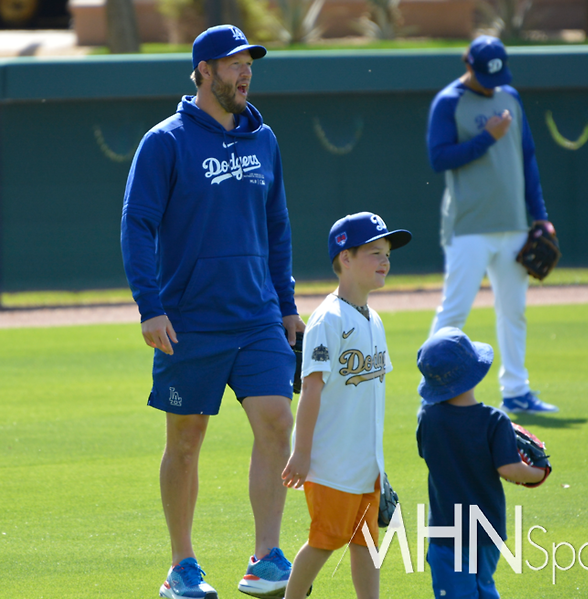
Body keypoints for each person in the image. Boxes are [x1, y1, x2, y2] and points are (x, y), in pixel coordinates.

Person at [120, 24, 306, 599]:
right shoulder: (166, 141)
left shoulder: (264, 140)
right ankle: (183, 566)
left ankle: (268, 556)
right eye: (232, 63)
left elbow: (277, 227)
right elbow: (137, 224)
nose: (245, 71)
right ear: (203, 70)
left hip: (257, 317)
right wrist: (150, 307)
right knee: (185, 440)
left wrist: (287, 306)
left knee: (277, 421)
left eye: (249, 62)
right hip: (190, 320)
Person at [281, 212, 411, 599]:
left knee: (365, 543)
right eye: (374, 252)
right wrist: (301, 452)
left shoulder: (375, 320)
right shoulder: (327, 319)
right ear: (345, 258)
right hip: (332, 463)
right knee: (325, 541)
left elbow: (371, 398)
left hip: (365, 464)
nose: (385, 260)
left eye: (387, 252)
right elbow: (311, 390)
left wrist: (379, 464)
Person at [426, 35, 559, 414]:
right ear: (468, 65)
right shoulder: (449, 102)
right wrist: (487, 137)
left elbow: (527, 158)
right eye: (485, 74)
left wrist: (541, 216)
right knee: (455, 312)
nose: (492, 82)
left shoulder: (510, 97)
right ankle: (433, 386)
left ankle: (517, 390)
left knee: (513, 310)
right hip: (468, 226)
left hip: (514, 224)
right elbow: (439, 158)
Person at [416, 327, 547, 599]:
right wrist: (538, 472)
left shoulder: (428, 418)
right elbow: (509, 470)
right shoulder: (494, 421)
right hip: (487, 527)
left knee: (456, 593)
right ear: (474, 375)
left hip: (446, 530)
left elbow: (426, 451)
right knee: (484, 586)